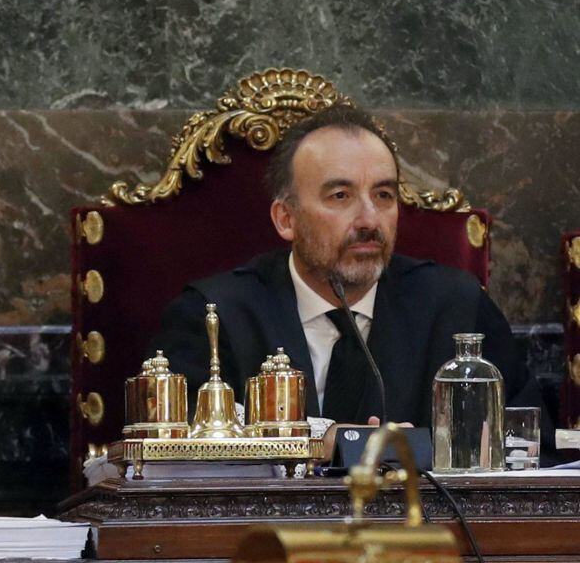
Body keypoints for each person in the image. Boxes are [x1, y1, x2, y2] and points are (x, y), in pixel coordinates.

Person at [152, 105, 558, 462]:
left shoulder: (457, 309)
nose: (369, 220)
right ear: (285, 219)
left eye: (383, 196)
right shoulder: (216, 316)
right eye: (341, 196)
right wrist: (316, 440)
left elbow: (529, 445)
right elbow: (177, 443)